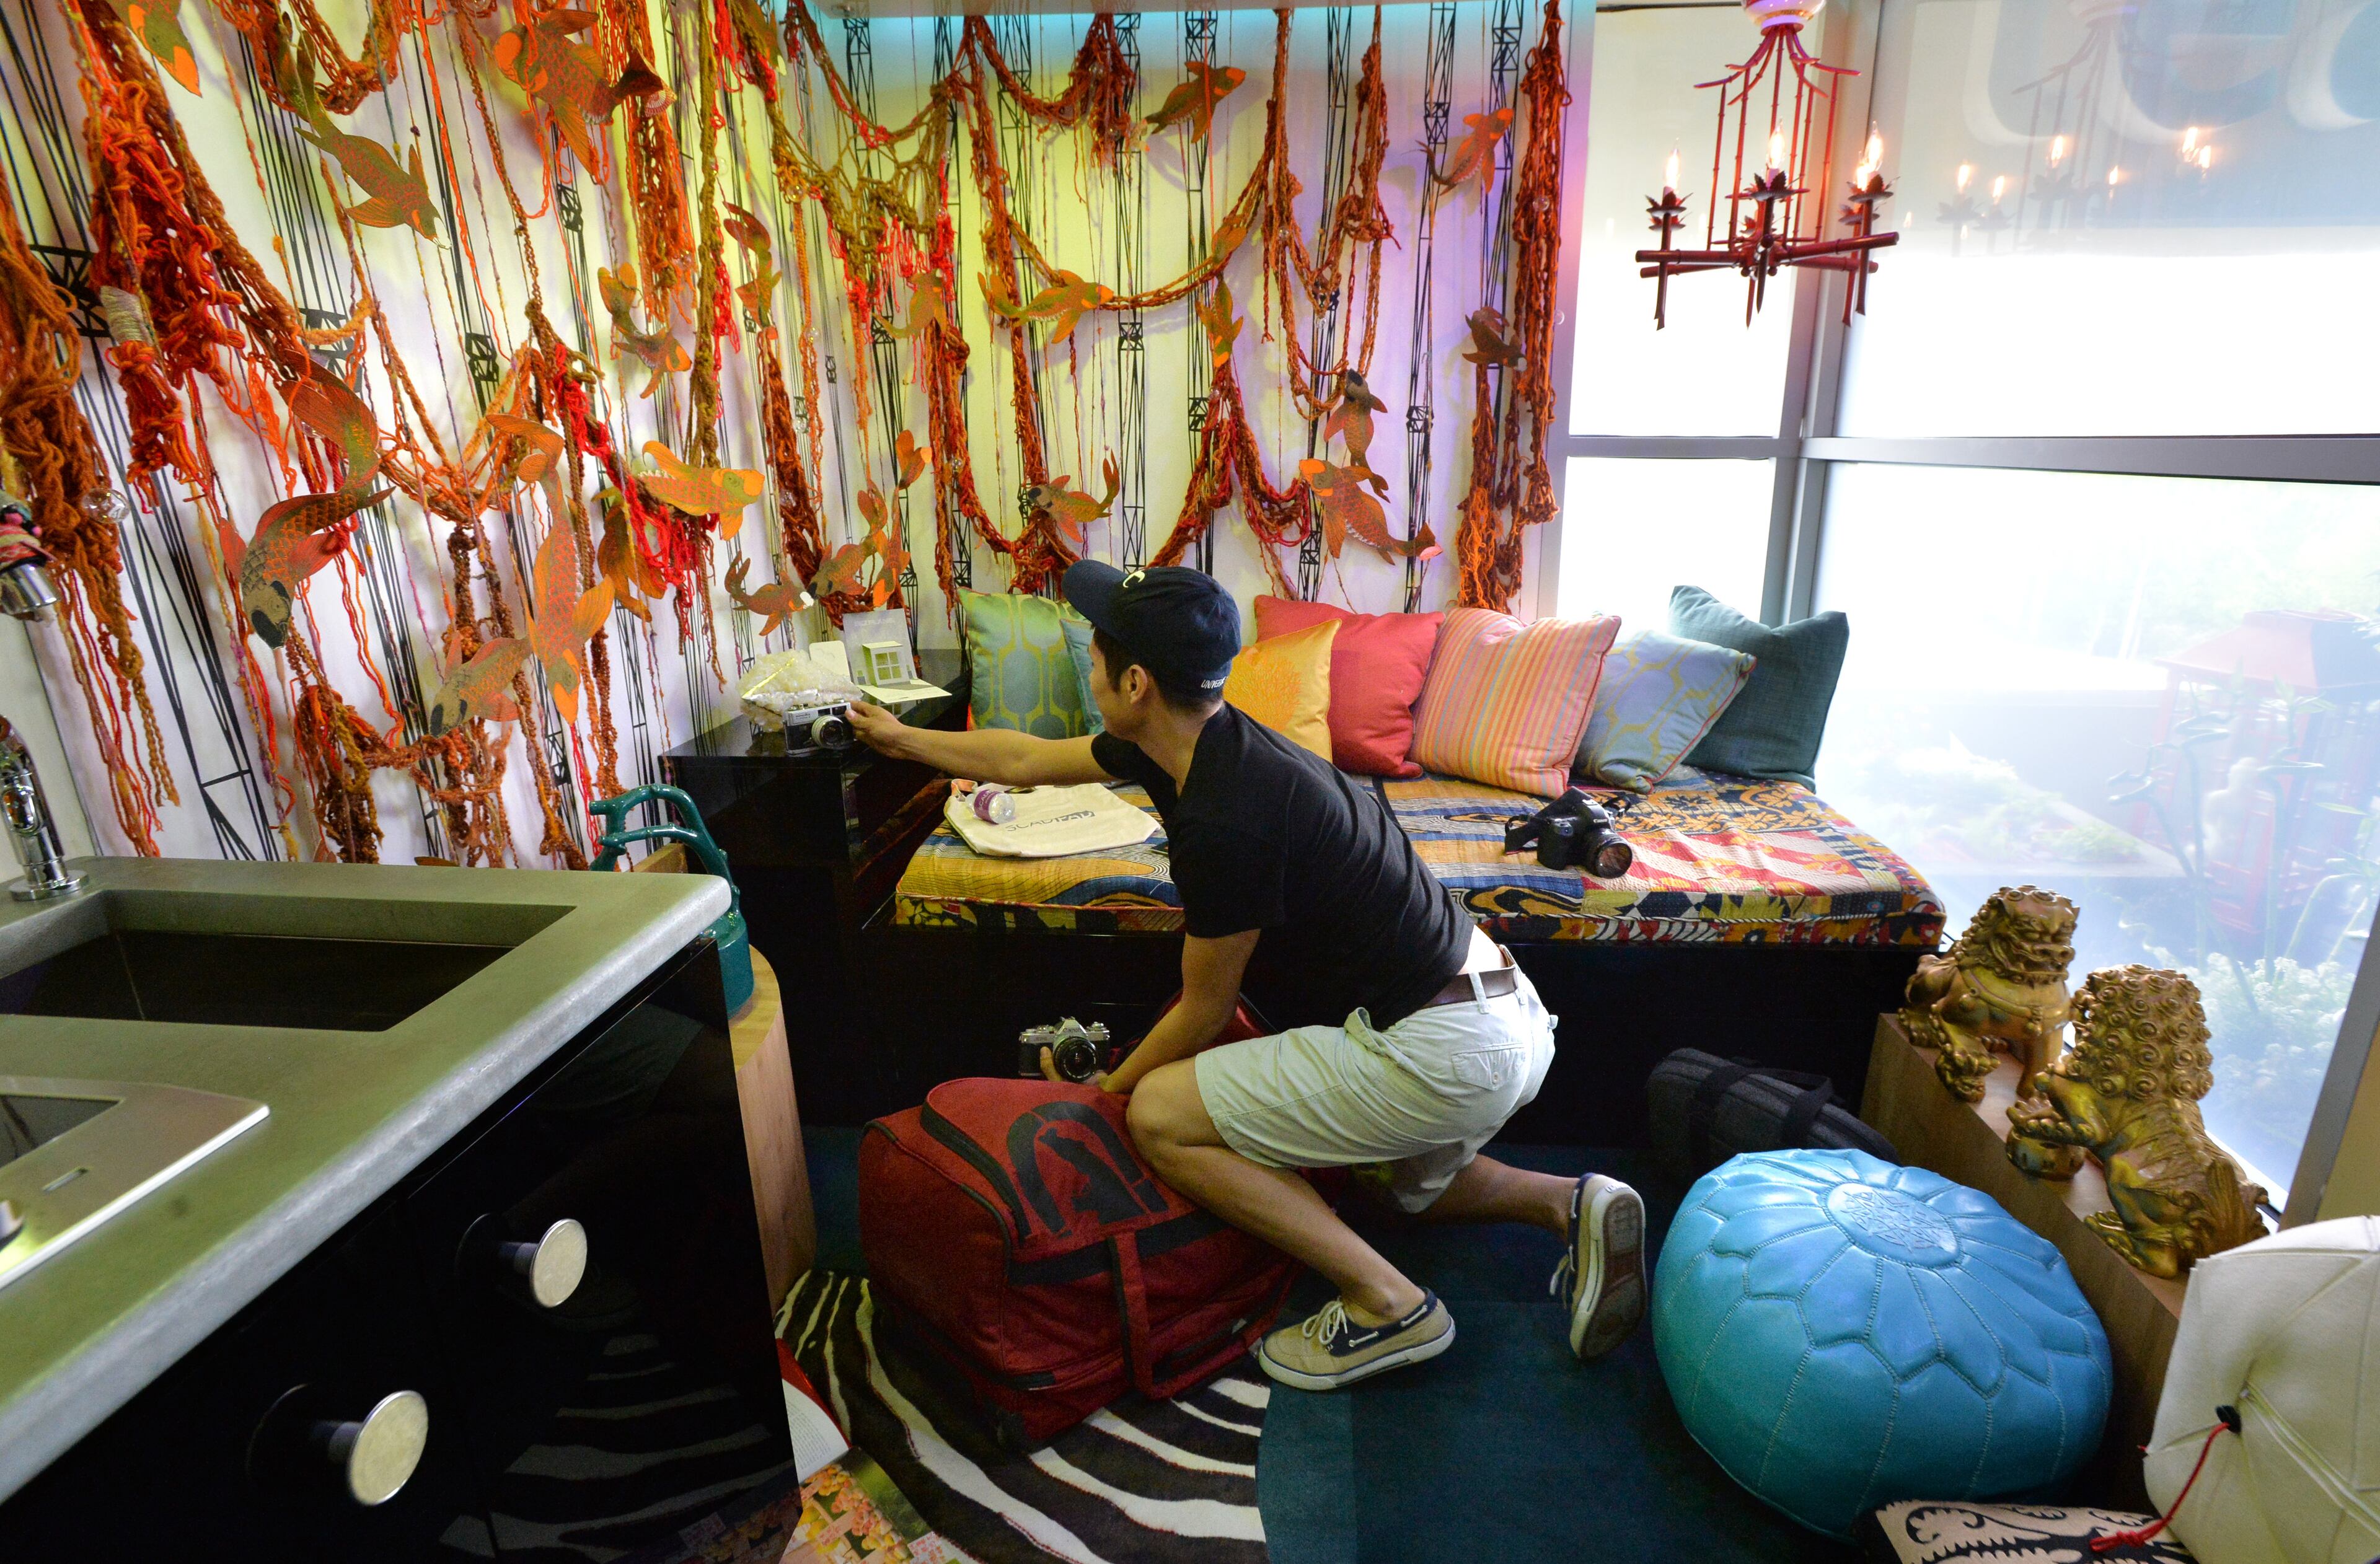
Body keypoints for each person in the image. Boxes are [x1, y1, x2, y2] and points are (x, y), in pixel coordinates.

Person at [847, 562, 1646, 1389]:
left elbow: (1204, 1008)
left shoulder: (1227, 818)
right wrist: (903, 740)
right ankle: (1572, 1204)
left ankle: (1388, 1304)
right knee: (1391, 1189)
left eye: (1094, 657)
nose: (1087, 673)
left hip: (1443, 1046)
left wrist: (1108, 1095)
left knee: (1158, 1112)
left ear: (1135, 681)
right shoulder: (1197, 745)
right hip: (1497, 1008)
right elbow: (1026, 757)